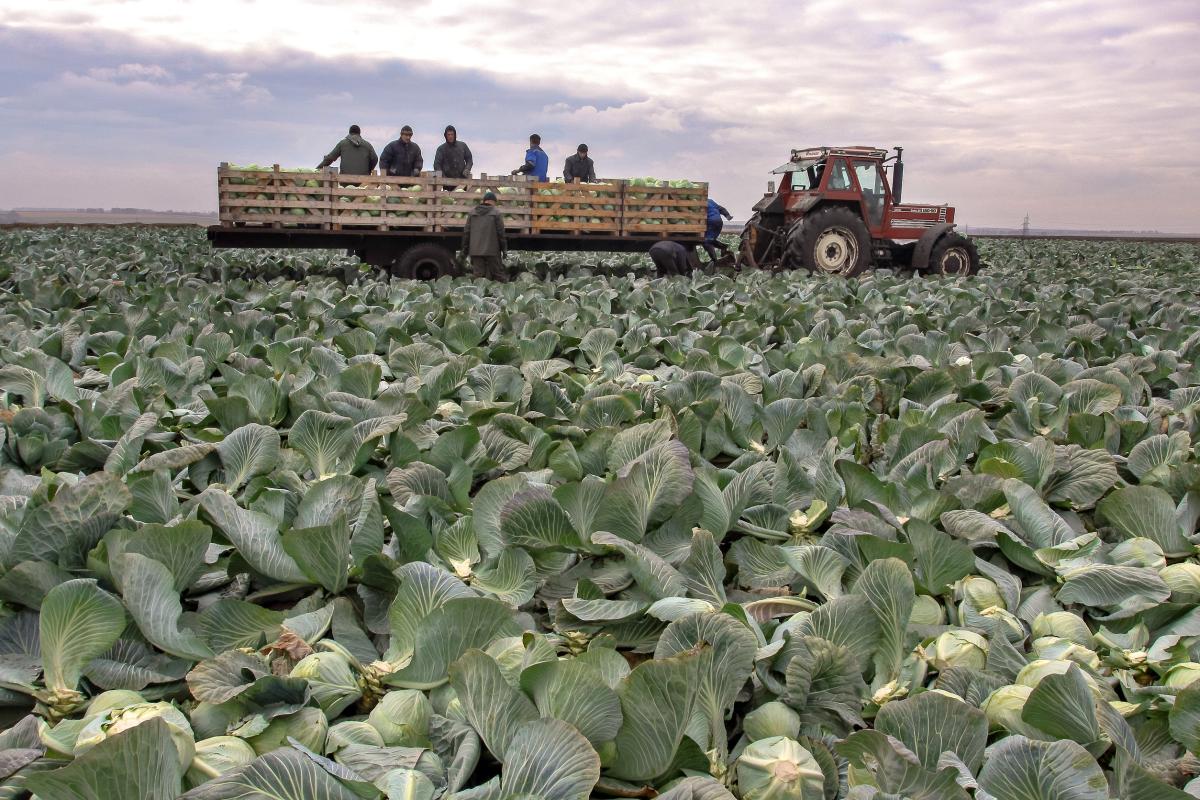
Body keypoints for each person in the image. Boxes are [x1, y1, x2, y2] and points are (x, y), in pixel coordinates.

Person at [461, 191, 507, 281]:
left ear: (484, 201)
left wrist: (465, 250)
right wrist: (504, 249)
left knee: (478, 276)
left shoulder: (472, 213)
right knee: (498, 275)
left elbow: (467, 232)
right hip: (492, 251)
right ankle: (499, 294)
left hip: (475, 250)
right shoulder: (496, 213)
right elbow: (501, 233)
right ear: (493, 201)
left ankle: (478, 294)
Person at [703, 198, 735, 263]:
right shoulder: (710, 201)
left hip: (711, 222)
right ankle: (723, 247)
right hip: (719, 222)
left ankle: (714, 261)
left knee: (707, 241)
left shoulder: (698, 203)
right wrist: (727, 215)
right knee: (709, 240)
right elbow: (721, 208)